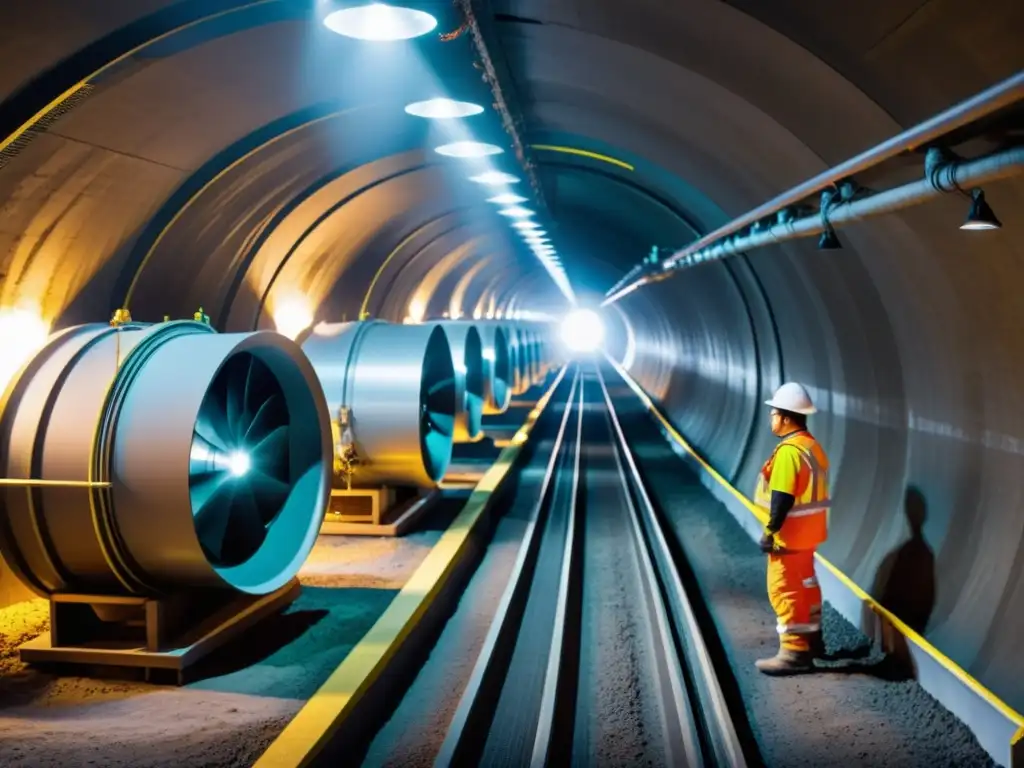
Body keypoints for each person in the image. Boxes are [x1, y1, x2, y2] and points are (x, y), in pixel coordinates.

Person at [753, 382, 830, 675]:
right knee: (807, 587)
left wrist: (770, 532)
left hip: (788, 537)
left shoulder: (789, 452)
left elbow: (782, 498)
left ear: (785, 417)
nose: (772, 418)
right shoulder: (813, 447)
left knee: (784, 590)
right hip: (809, 536)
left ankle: (794, 652)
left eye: (773, 413)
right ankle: (812, 641)